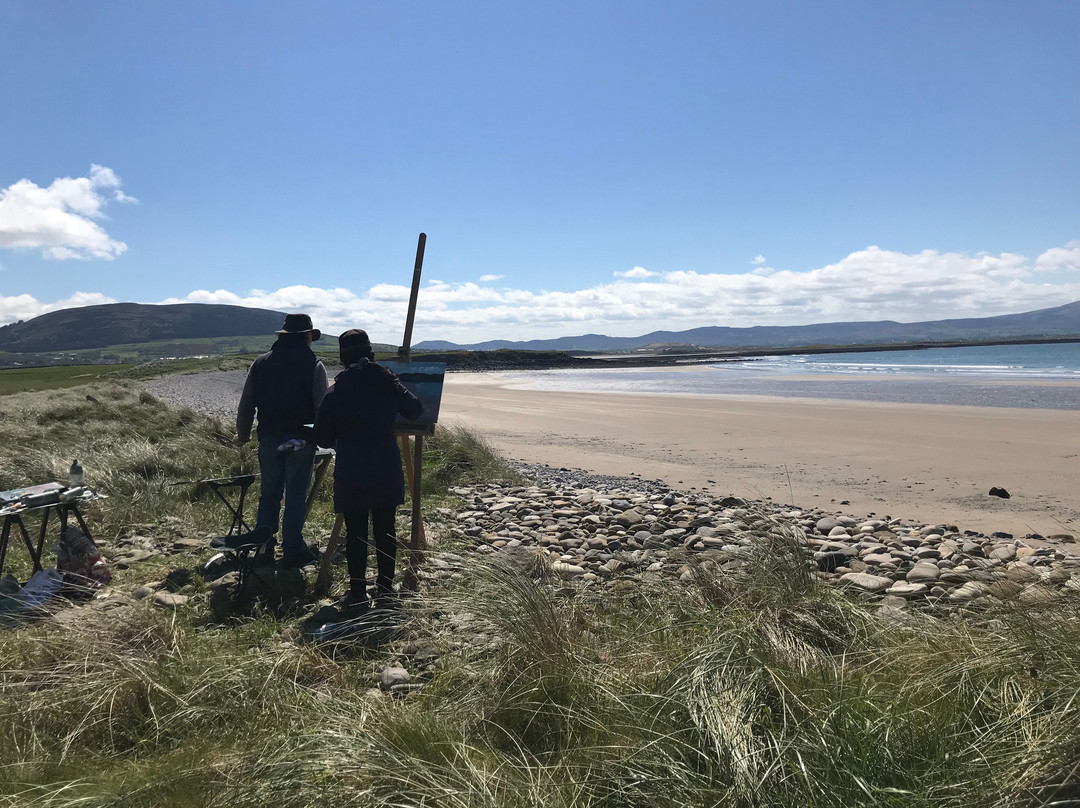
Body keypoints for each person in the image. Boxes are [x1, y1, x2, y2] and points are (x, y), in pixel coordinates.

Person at [313, 329, 422, 607]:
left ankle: (358, 593)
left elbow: (323, 437)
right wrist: (394, 382)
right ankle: (385, 590)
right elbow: (415, 410)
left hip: (351, 470)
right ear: (370, 354)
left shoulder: (336, 390)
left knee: (356, 533)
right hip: (385, 467)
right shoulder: (386, 383)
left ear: (343, 355)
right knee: (385, 530)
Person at [235, 313, 328, 567]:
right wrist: (326, 438)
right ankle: (292, 549)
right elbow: (321, 408)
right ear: (307, 337)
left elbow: (247, 404)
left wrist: (242, 434)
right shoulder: (314, 365)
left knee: (269, 495)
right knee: (296, 496)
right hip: (301, 440)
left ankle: (264, 548)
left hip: (269, 439)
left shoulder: (261, 363)